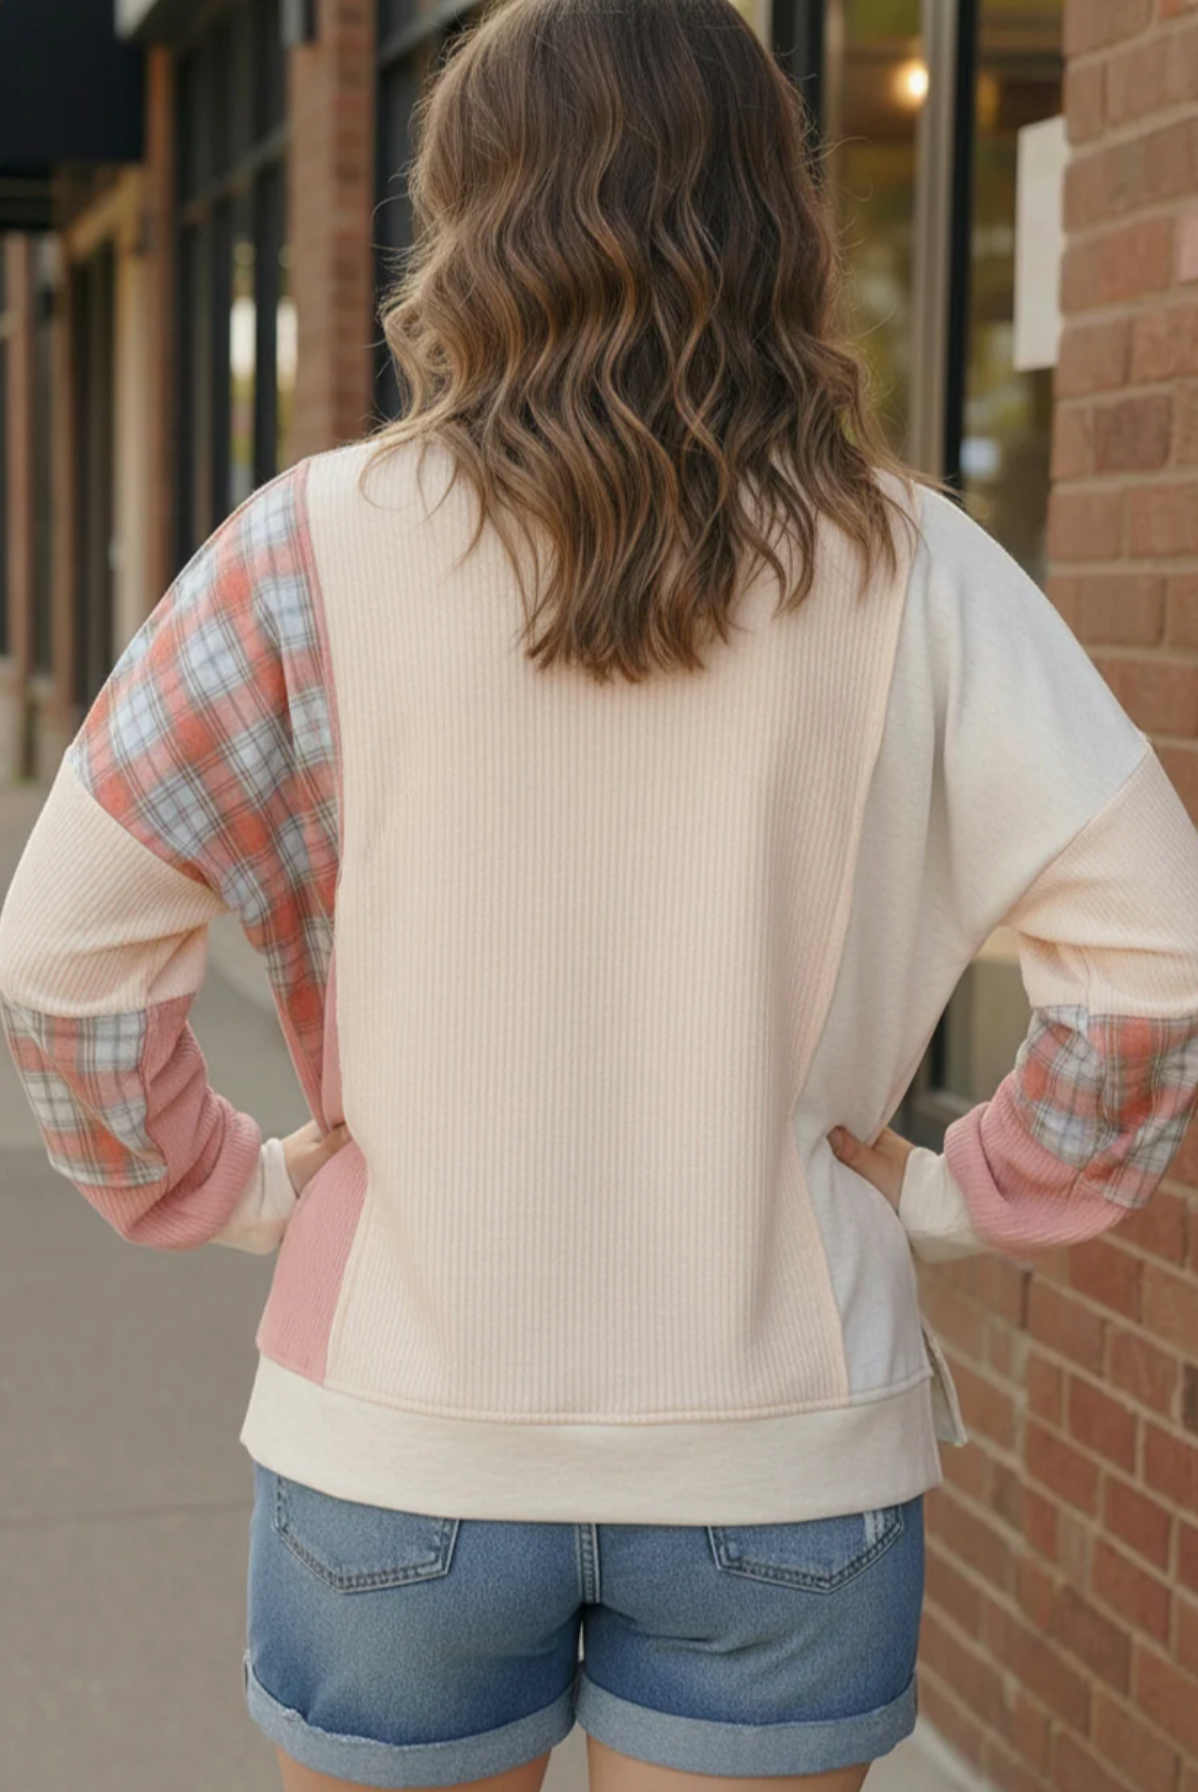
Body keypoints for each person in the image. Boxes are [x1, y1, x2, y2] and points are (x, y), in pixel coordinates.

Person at [3, 0, 1198, 1787]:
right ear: (773, 220)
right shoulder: (921, 568)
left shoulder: (304, 547)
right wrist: (961, 1199)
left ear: (465, 221)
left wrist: (231, 1191)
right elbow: (1154, 962)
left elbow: (64, 953)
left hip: (396, 1455)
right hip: (781, 1471)